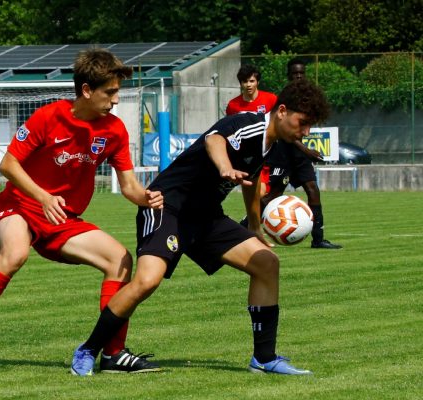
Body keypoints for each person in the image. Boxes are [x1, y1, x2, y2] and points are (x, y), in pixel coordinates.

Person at [70, 79, 330, 376]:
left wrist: (255, 226)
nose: (306, 132)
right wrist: (223, 167)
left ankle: (264, 357)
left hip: (205, 216)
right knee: (147, 281)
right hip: (167, 206)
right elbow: (214, 139)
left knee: (266, 263)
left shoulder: (271, 144)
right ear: (282, 111)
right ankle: (89, 349)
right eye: (303, 122)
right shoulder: (249, 125)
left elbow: (252, 180)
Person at [0, 48, 164, 375]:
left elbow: (129, 185)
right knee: (15, 254)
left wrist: (145, 198)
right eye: (110, 92)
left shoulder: (114, 130)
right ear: (87, 91)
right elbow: (8, 164)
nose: (116, 100)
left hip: (62, 219)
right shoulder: (48, 117)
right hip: (20, 204)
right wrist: (43, 196)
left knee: (119, 260)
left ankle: (113, 354)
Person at [262, 58, 342, 249]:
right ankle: (246, 227)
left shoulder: (307, 99)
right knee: (271, 196)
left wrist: (304, 152)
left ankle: (318, 238)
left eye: (301, 73)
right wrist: (306, 150)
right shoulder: (284, 99)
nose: (298, 76)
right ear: (288, 75)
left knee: (313, 191)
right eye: (295, 73)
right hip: (282, 154)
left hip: (298, 157)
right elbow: (285, 132)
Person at [226, 64, 277, 196]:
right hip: (246, 156)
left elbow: (278, 122)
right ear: (240, 83)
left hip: (268, 152)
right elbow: (229, 130)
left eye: (251, 81)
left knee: (264, 192)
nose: (248, 84)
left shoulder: (270, 99)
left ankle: (254, 216)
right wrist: (236, 148)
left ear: (257, 82)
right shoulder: (233, 105)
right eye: (245, 81)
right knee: (256, 192)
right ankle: (252, 216)